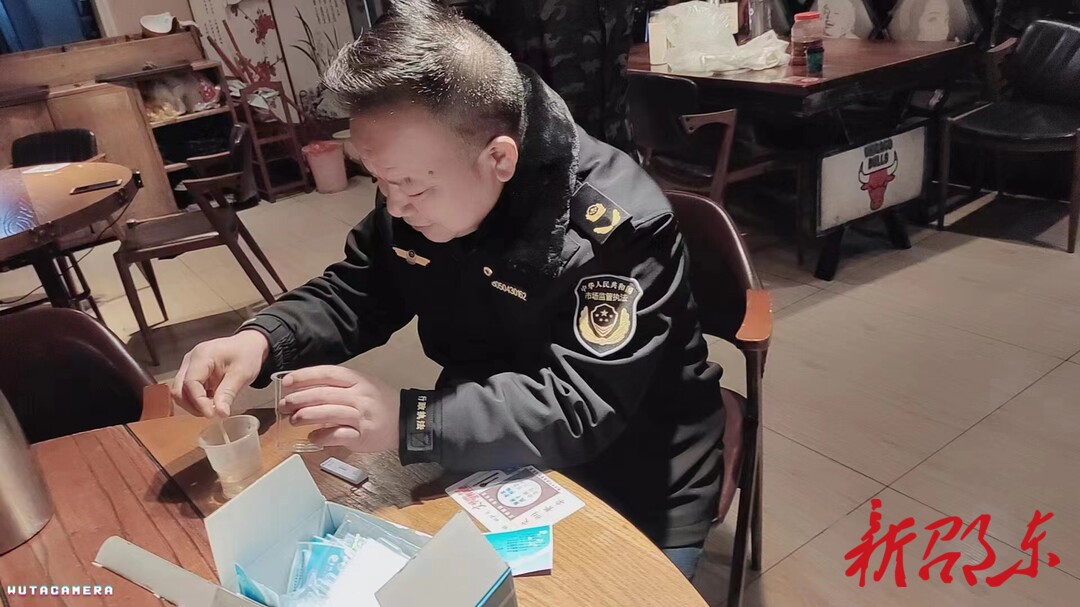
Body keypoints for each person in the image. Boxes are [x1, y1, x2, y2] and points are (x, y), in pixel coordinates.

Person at [172, 0, 724, 579]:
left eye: (410, 187)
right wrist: (262, 339)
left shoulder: (617, 229)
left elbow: (578, 404)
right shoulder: (425, 180)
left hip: (633, 473)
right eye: (380, 181)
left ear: (499, 158)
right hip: (481, 449)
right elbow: (362, 287)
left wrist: (413, 420)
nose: (394, 206)